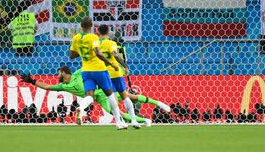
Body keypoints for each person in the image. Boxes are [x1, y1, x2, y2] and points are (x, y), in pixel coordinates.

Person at [20, 66, 162, 126]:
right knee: (115, 112)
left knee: (131, 97)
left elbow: (92, 67)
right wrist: (32, 81)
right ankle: (145, 120)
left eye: (59, 73)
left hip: (106, 90)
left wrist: (116, 69)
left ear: (64, 72)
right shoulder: (64, 86)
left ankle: (157, 103)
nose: (57, 76)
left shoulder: (77, 74)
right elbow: (47, 87)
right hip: (99, 98)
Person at [69, 17, 127, 129]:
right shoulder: (93, 37)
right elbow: (98, 53)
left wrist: (83, 52)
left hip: (85, 70)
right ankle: (119, 122)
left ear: (81, 26)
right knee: (110, 94)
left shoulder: (76, 38)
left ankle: (81, 108)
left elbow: (72, 55)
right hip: (99, 70)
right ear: (91, 26)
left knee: (89, 96)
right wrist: (111, 64)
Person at [98, 24, 140, 129]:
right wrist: (125, 66)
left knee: (112, 98)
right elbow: (116, 55)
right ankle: (134, 121)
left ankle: (119, 122)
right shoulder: (111, 43)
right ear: (108, 32)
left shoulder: (96, 44)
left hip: (104, 74)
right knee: (124, 96)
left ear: (98, 32)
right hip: (115, 73)